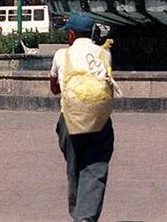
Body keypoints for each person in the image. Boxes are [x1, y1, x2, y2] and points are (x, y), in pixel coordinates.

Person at [50, 14, 116, 221]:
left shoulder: (61, 55)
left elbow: (54, 88)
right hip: (99, 120)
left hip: (70, 120)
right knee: (95, 168)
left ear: (71, 34)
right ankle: (85, 217)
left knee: (74, 168)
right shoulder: (105, 54)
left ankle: (79, 214)